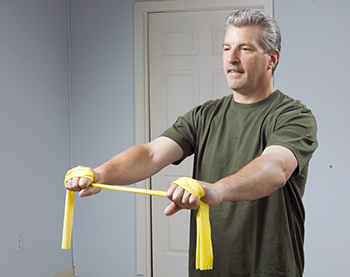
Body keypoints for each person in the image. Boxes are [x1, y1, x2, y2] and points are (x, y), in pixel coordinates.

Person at [65, 8, 318, 277]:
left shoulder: (294, 116)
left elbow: (276, 167)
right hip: (208, 268)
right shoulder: (204, 115)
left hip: (268, 270)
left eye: (245, 49)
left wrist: (217, 190)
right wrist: (100, 173)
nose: (231, 58)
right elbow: (151, 154)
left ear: (272, 59)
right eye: (226, 48)